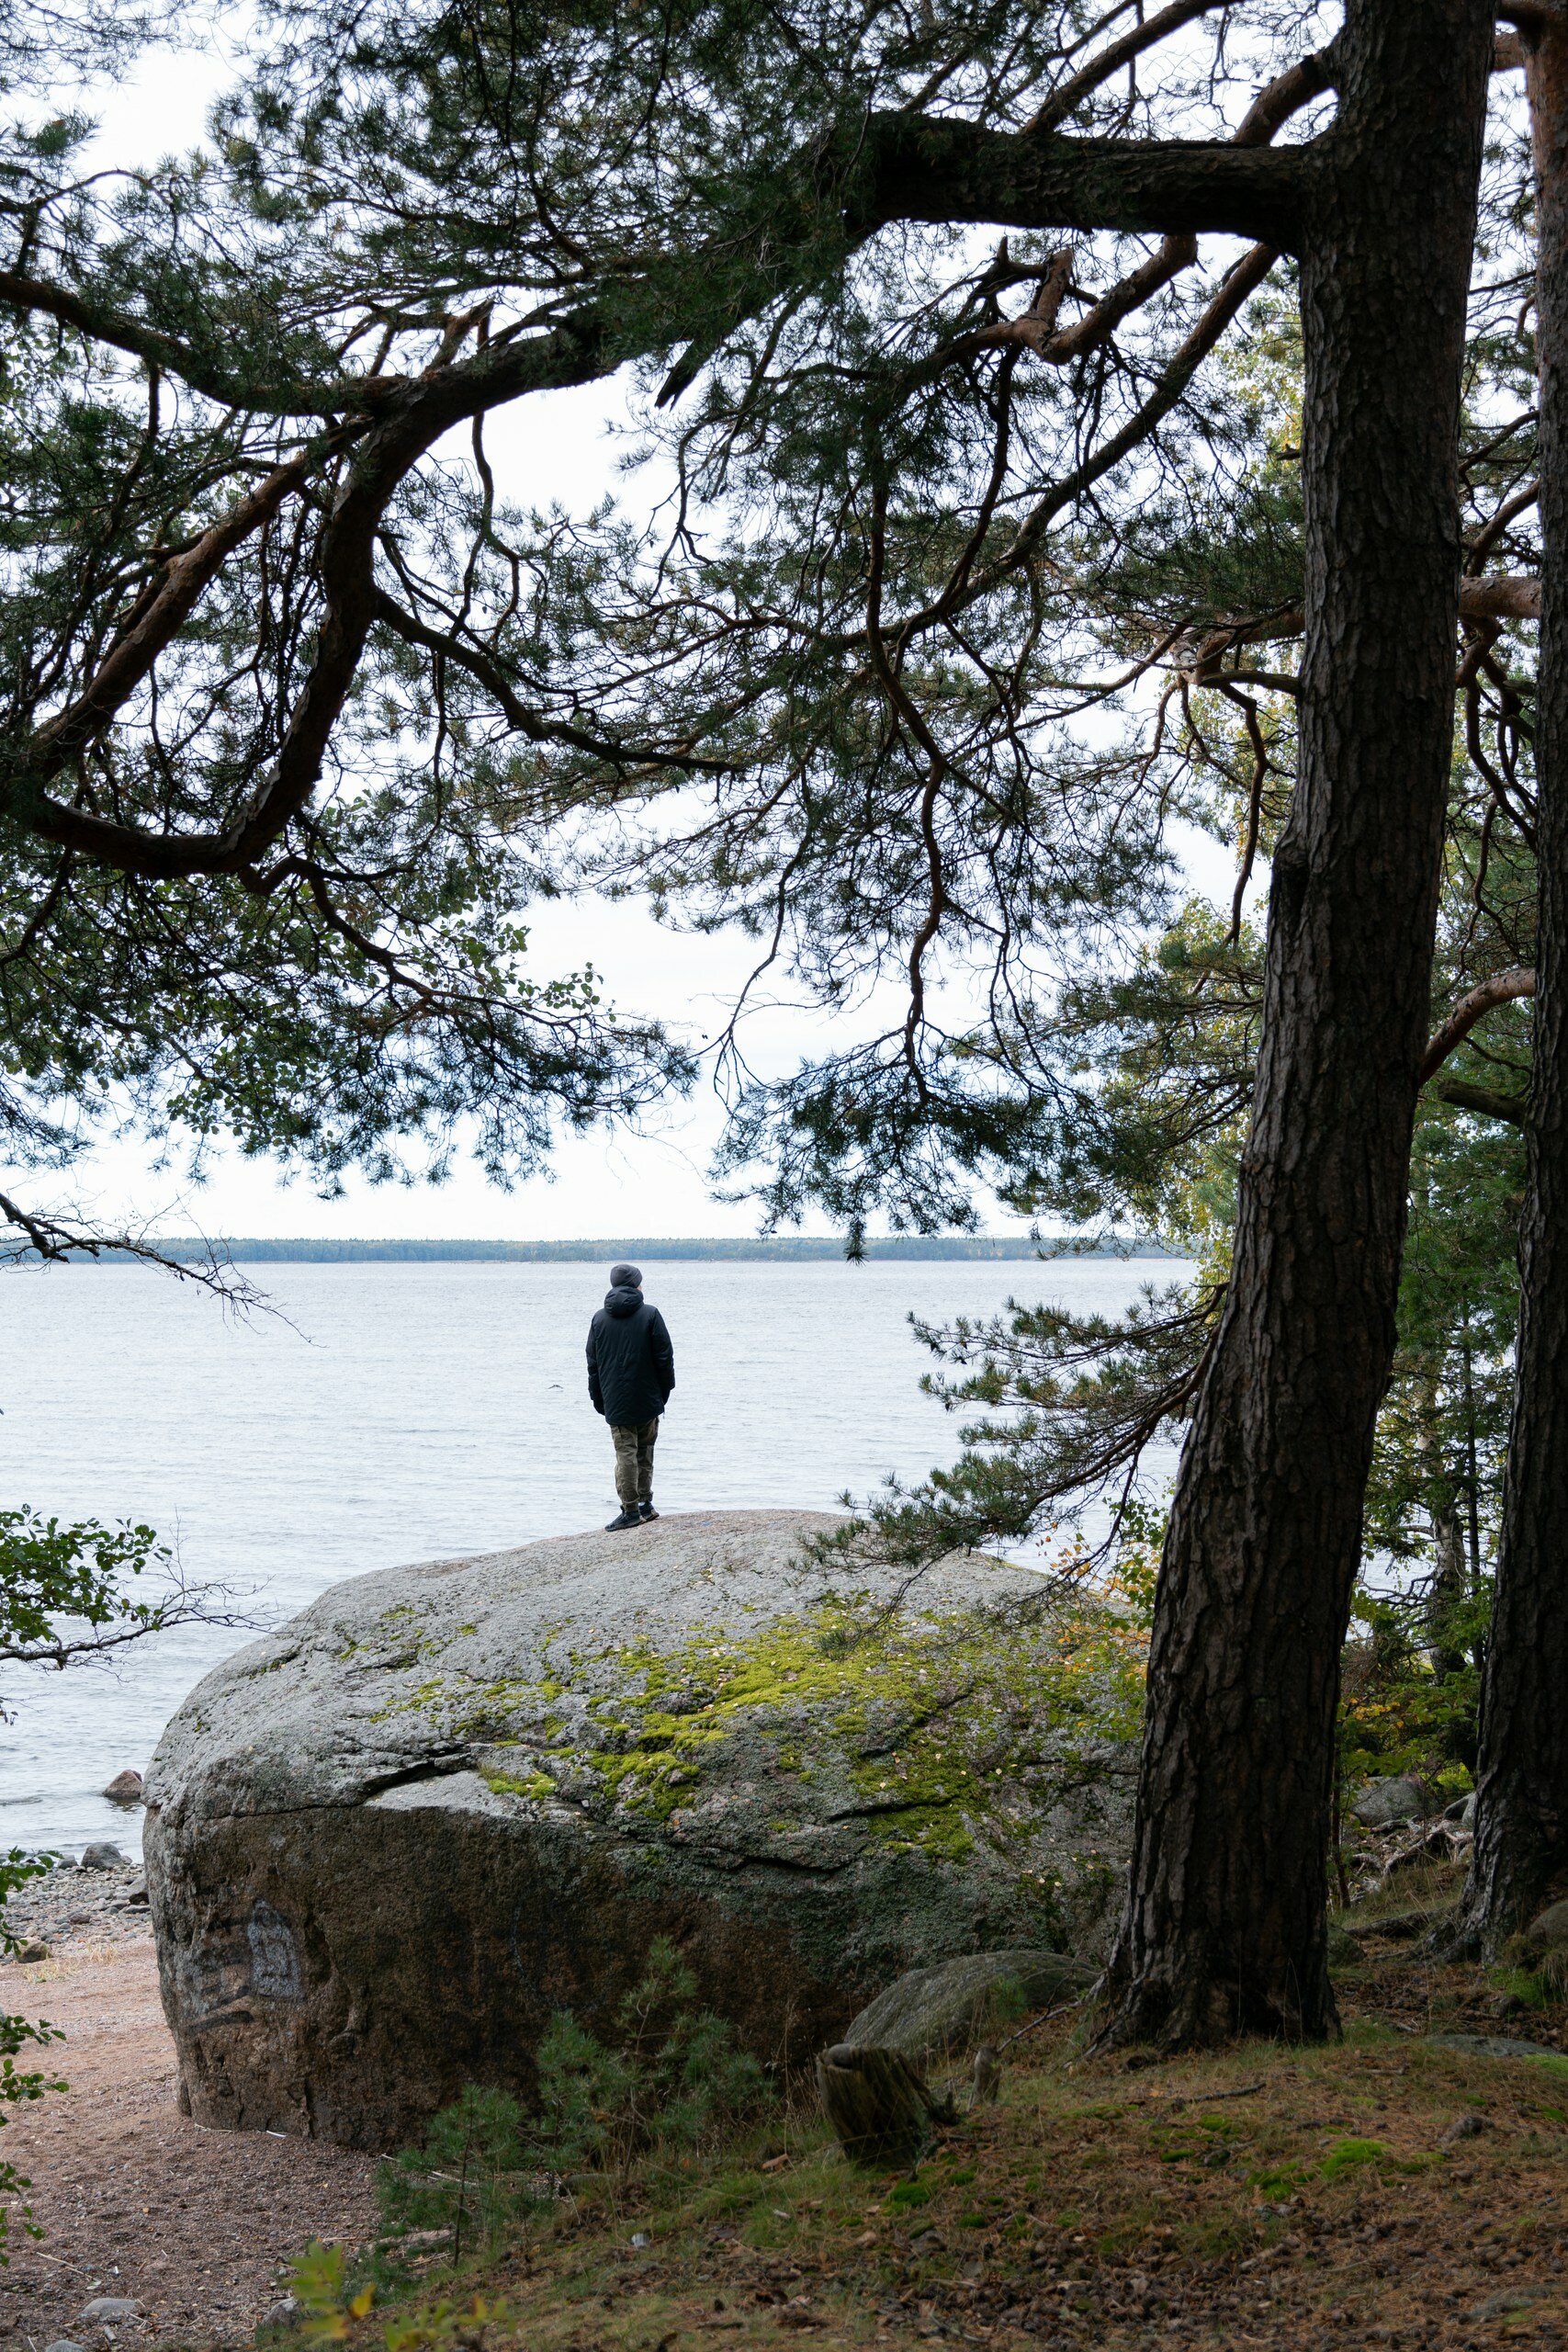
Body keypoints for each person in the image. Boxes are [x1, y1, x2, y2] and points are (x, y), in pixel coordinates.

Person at [586, 1261, 676, 1531]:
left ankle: (630, 1510)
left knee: (626, 1454)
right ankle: (644, 1505)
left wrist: (597, 1399)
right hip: (648, 1398)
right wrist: (664, 1393)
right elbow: (665, 1358)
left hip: (616, 1399)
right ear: (637, 1285)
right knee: (645, 1452)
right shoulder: (650, 1314)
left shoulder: (599, 1319)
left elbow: (593, 1365)